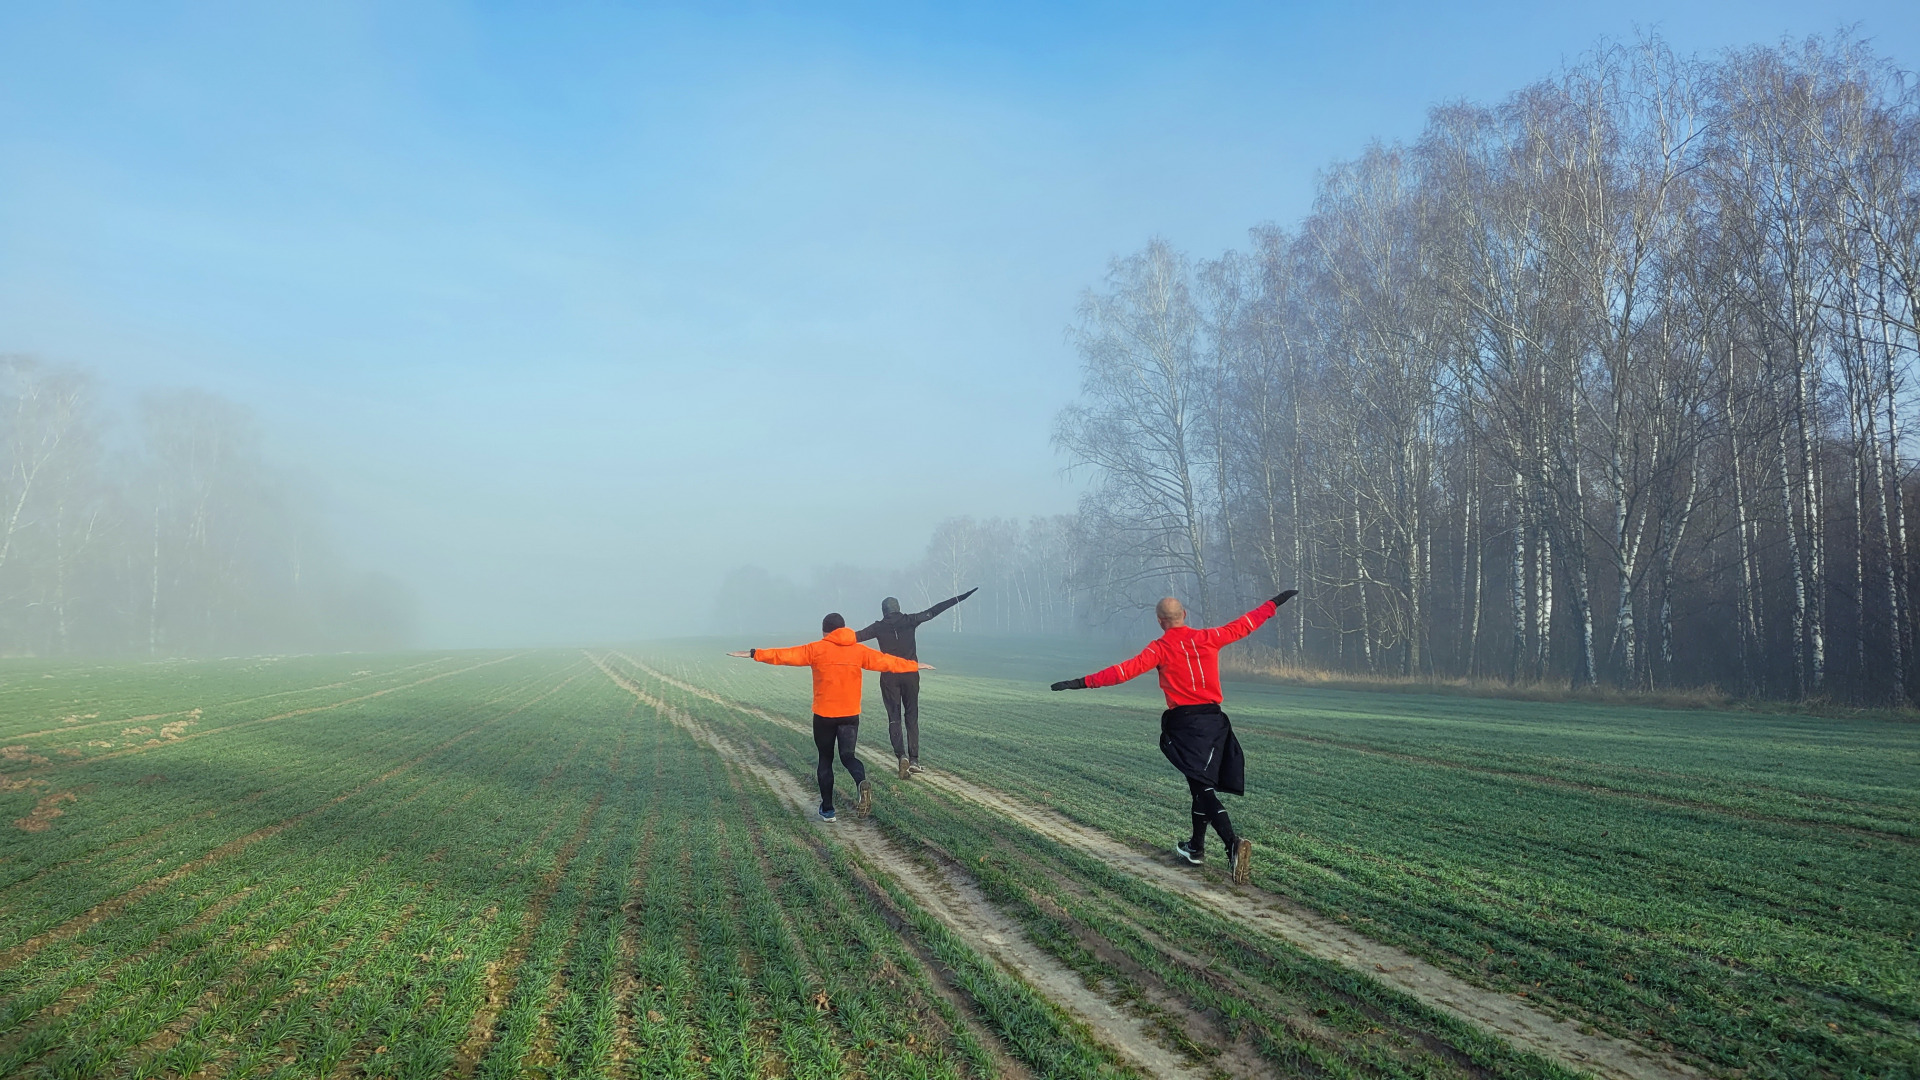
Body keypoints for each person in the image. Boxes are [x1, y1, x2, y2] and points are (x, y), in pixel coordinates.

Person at [1049, 589, 1299, 885]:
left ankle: (1232, 843)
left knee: (1202, 787)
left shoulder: (1159, 648)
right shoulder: (1209, 637)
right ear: (1185, 616)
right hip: (1215, 721)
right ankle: (1196, 846)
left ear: (1159, 621)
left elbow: (1122, 672)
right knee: (1199, 784)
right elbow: (1245, 624)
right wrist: (1273, 604)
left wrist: (1079, 683)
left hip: (1185, 724)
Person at [729, 612, 925, 823]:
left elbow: (784, 655)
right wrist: (914, 665)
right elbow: (886, 662)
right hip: (850, 715)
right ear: (844, 629)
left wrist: (753, 653)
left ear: (825, 631)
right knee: (848, 756)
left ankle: (828, 810)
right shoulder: (858, 650)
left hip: (824, 716)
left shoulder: (816, 649)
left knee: (825, 760)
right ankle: (861, 782)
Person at [855, 587, 977, 778]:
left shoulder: (877, 627)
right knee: (911, 716)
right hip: (911, 675)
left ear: (883, 611)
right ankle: (914, 760)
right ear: (898, 608)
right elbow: (935, 610)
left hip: (889, 676)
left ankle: (901, 756)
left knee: (894, 717)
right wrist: (960, 597)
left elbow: (855, 637)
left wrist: (830, 640)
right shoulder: (910, 620)